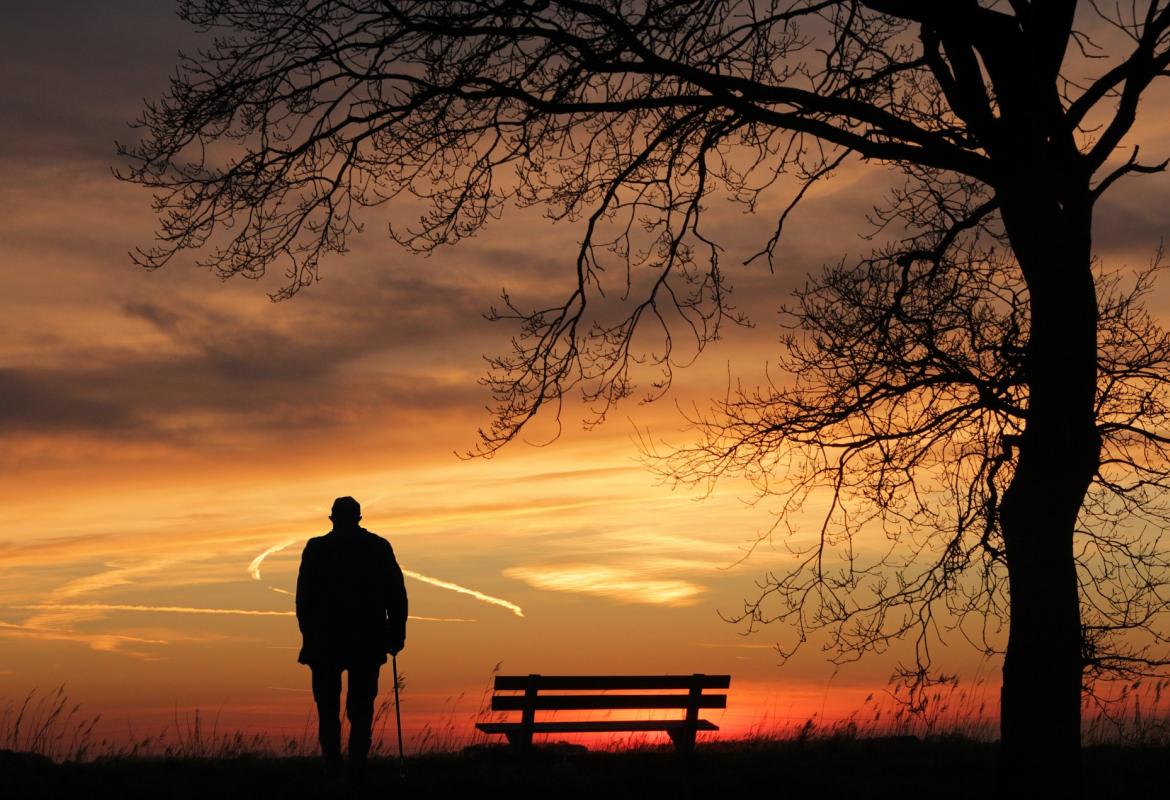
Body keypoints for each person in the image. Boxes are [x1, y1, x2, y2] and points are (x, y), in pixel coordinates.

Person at [296, 496, 408, 783]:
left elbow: (303, 600)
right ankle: (357, 767)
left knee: (328, 710)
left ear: (333, 519)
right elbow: (396, 595)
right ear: (359, 518)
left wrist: (309, 635)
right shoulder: (378, 547)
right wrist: (395, 634)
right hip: (367, 640)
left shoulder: (316, 549)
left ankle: (333, 767)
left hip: (325, 641)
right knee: (361, 709)